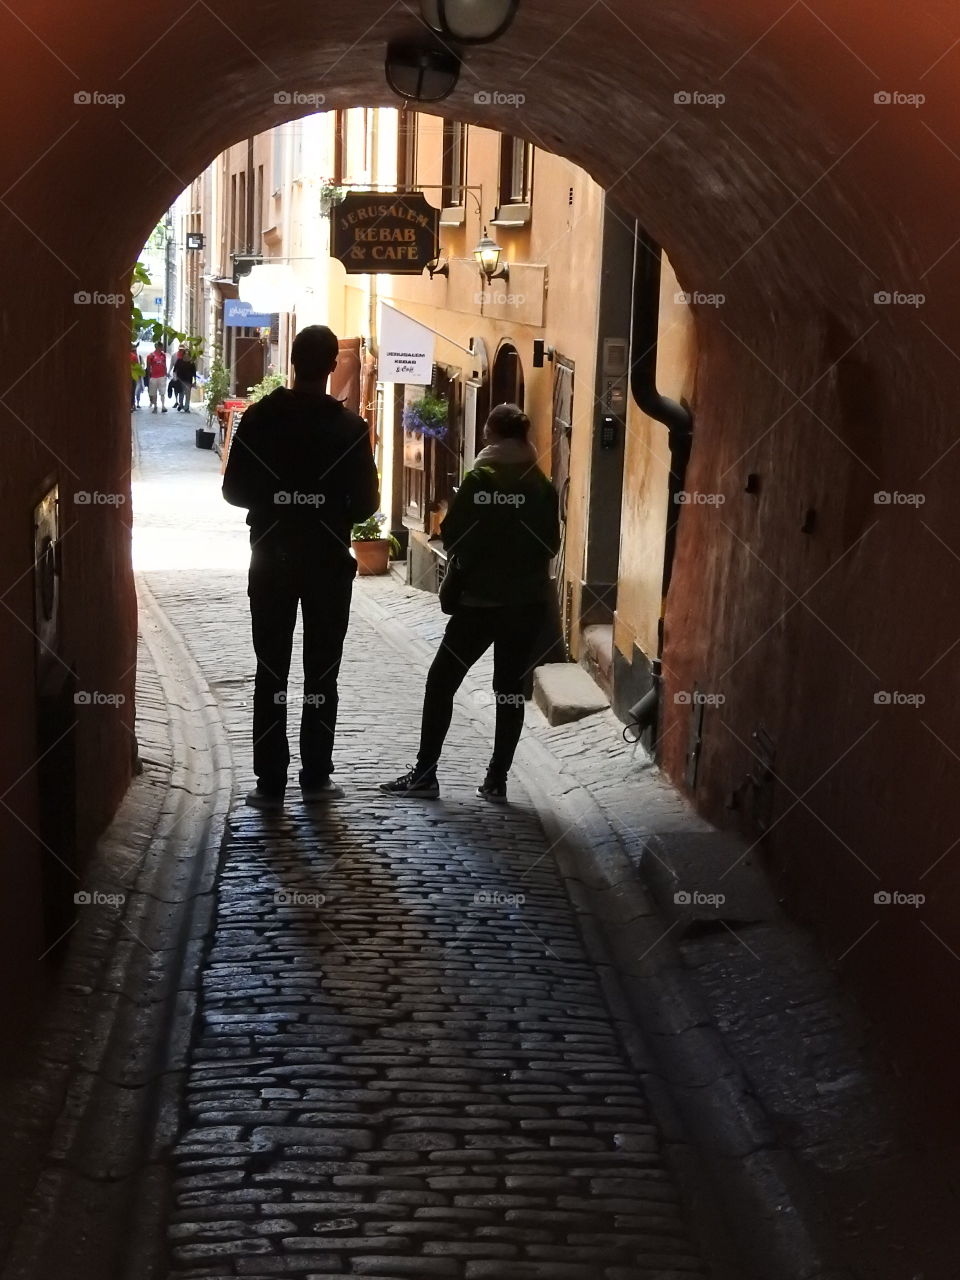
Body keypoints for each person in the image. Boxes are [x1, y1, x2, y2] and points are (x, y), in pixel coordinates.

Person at [222, 324, 380, 810]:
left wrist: (276, 502)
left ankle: (270, 780)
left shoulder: (259, 419)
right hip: (327, 563)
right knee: (321, 675)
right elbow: (367, 504)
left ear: (291, 361)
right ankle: (315, 774)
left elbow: (233, 491)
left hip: (270, 559)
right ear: (333, 365)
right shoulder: (349, 429)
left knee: (270, 672)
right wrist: (326, 507)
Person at [381, 403, 560, 804]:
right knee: (510, 691)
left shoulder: (481, 479)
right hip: (526, 605)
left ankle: (425, 773)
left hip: (479, 603)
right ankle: (497, 779)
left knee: (441, 682)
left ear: (491, 436)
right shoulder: (541, 485)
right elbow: (551, 543)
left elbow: (454, 535)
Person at [145, 342, 168, 413]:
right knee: (154, 393)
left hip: (162, 376)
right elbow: (148, 367)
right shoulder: (150, 356)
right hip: (154, 376)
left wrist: (165, 373)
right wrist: (149, 376)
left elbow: (165, 364)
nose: (162, 348)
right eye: (161, 347)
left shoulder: (163, 355)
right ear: (157, 347)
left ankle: (163, 406)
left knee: (162, 392)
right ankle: (155, 406)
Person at [172, 346, 196, 412]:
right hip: (180, 380)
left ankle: (186, 407)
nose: (186, 355)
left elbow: (194, 373)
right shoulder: (179, 361)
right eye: (185, 354)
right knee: (181, 393)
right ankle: (181, 405)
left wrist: (194, 381)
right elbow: (175, 370)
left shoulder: (191, 363)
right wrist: (175, 378)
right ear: (183, 355)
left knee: (188, 395)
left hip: (188, 381)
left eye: (188, 354)